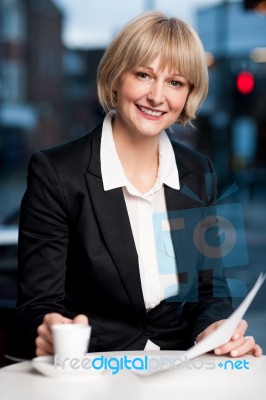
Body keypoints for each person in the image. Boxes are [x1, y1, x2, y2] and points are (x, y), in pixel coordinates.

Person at [16, 12, 262, 359]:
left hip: (179, 366)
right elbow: (37, 306)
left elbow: (210, 290)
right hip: (92, 368)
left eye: (175, 83)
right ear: (117, 77)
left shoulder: (196, 169)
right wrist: (50, 331)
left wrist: (213, 328)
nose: (157, 96)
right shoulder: (56, 172)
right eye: (144, 75)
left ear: (189, 93)